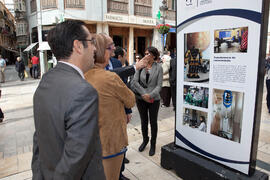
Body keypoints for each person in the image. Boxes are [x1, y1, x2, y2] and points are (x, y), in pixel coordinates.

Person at [31, 20, 105, 180]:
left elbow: (39, 139)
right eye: (91, 41)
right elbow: (76, 158)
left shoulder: (47, 79)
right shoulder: (84, 92)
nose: (94, 48)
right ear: (78, 46)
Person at [85, 33, 135, 180]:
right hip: (111, 142)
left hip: (90, 143)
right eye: (110, 48)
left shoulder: (82, 74)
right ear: (100, 51)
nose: (113, 52)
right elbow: (131, 100)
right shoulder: (110, 77)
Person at [131, 46, 163, 156]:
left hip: (154, 99)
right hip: (141, 99)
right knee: (143, 121)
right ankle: (145, 140)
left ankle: (153, 144)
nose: (145, 56)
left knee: (153, 122)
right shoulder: (140, 66)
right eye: (145, 53)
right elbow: (134, 82)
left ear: (153, 56)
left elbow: (159, 85)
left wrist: (150, 95)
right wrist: (143, 94)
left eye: (148, 53)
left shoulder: (159, 67)